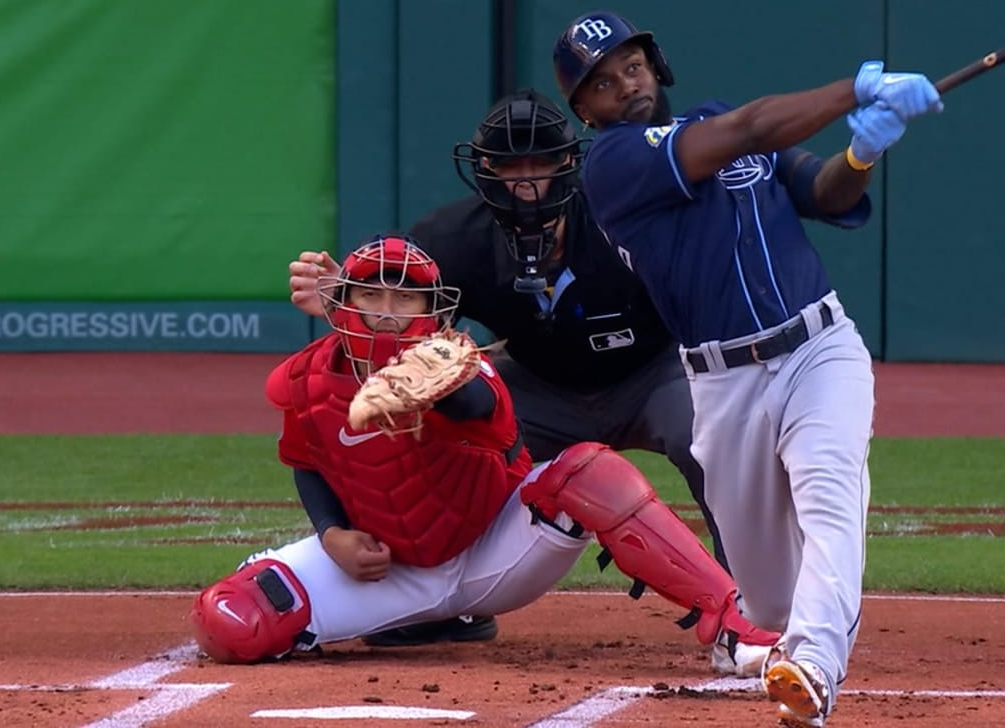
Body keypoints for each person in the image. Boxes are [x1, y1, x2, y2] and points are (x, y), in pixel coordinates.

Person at [552, 11, 942, 727]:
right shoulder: (613, 166)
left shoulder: (716, 122)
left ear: (654, 65)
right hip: (722, 385)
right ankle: (776, 646)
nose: (624, 87)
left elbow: (822, 195)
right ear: (584, 110)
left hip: (818, 349)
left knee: (830, 493)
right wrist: (857, 89)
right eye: (602, 84)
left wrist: (860, 154)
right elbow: (753, 128)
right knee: (765, 601)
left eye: (631, 67)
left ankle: (815, 669)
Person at [286, 89, 733, 659]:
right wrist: (342, 297)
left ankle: (744, 601)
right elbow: (396, 309)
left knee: (714, 440)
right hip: (538, 385)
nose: (526, 181)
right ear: (484, 171)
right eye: (509, 166)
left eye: (540, 164)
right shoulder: (452, 238)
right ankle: (437, 604)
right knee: (408, 423)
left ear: (567, 164)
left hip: (653, 373)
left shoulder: (622, 216)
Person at [189, 235, 775, 669]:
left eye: (406, 300)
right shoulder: (306, 382)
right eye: (373, 295)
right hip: (388, 569)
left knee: (587, 469)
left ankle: (729, 619)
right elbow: (307, 461)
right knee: (229, 622)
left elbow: (471, 407)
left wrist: (423, 378)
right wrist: (331, 534)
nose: (389, 312)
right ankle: (422, 623)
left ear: (432, 312)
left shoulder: (460, 364)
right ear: (345, 301)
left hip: (498, 549)